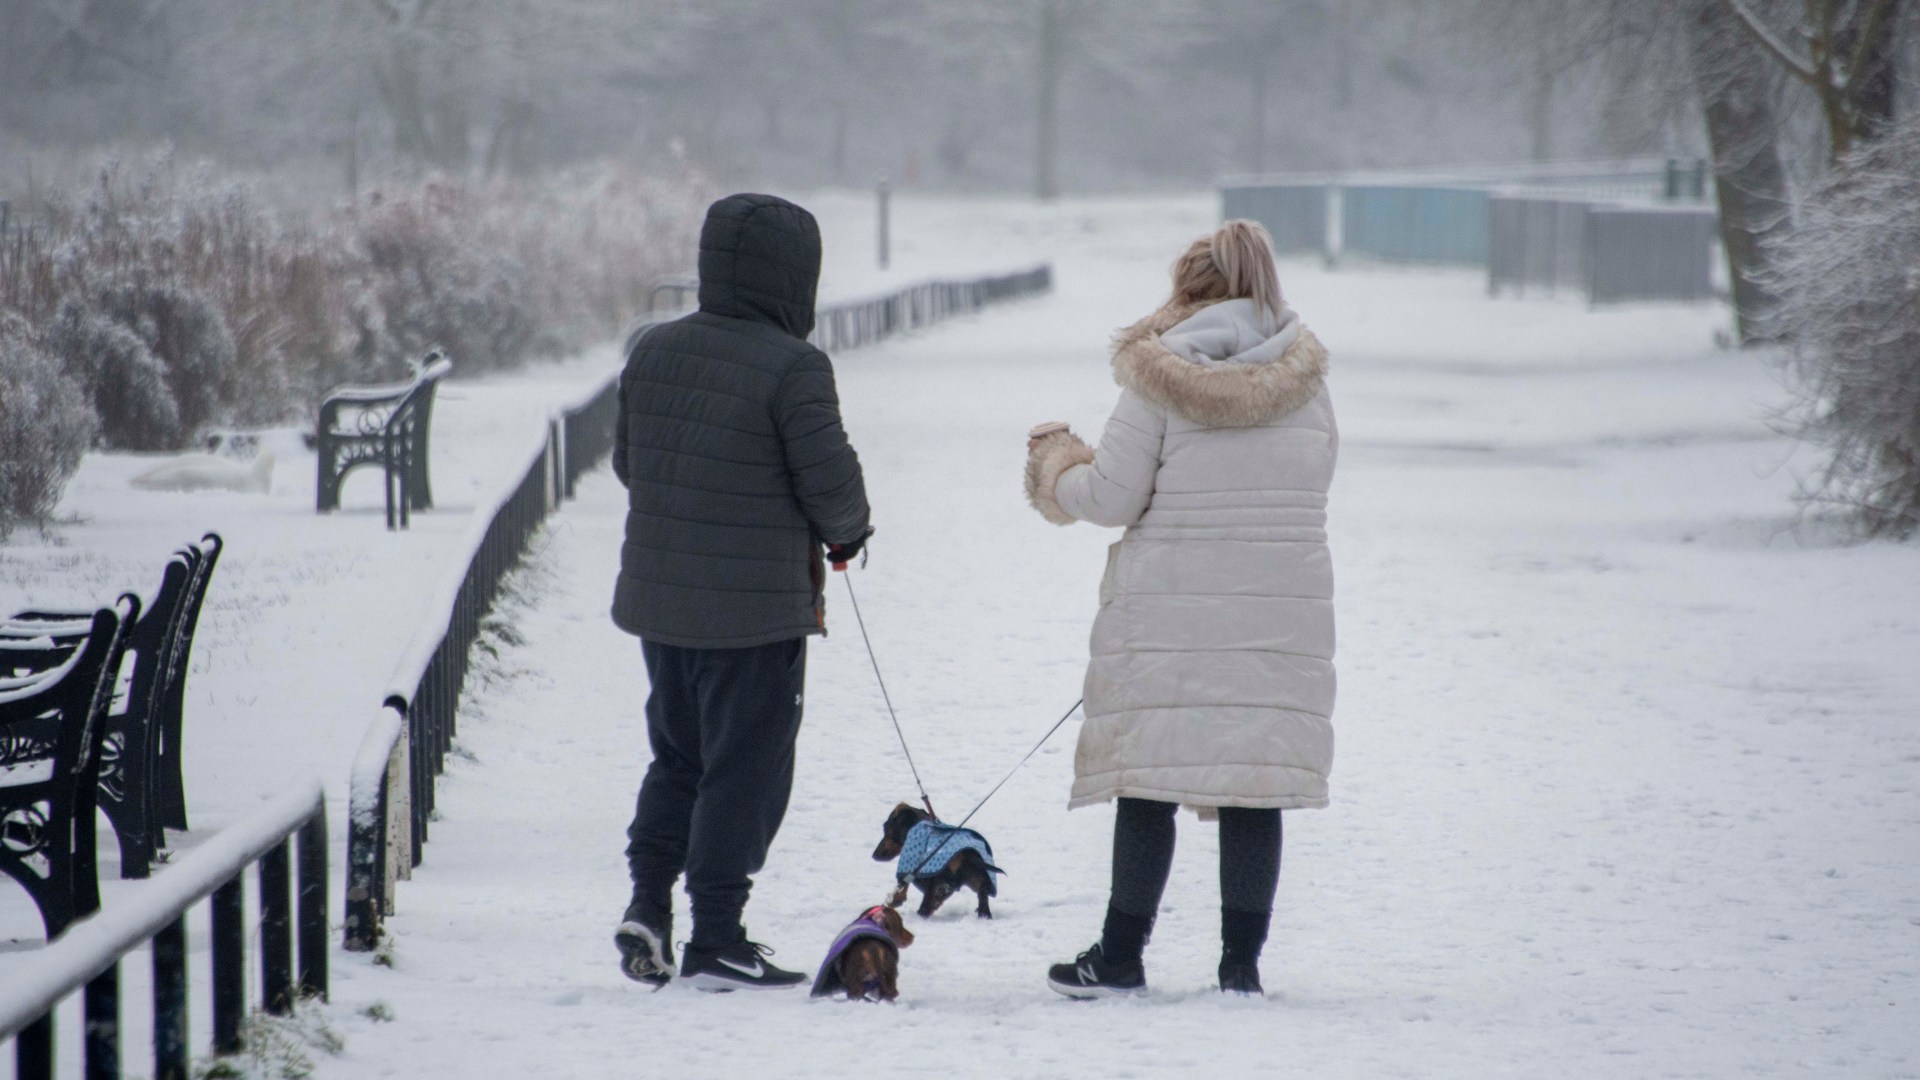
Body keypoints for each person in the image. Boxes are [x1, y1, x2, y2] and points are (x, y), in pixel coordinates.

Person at [1023, 220, 1337, 998]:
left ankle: (1120, 956)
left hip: (1168, 616)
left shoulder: (1158, 378)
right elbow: (1314, 478)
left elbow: (1109, 495)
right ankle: (1241, 967)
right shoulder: (1307, 382)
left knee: (1149, 777)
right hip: (1277, 614)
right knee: (1252, 782)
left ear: (1189, 290)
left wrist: (1051, 463)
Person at [610, 193, 871, 992]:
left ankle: (649, 901)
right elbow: (831, 484)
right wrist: (848, 533)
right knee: (745, 770)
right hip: (754, 613)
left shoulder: (651, 349)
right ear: (797, 275)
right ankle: (718, 935)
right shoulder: (794, 365)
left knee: (678, 757)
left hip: (663, 603)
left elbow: (628, 464)